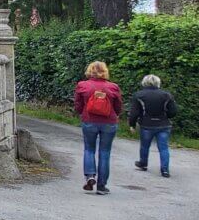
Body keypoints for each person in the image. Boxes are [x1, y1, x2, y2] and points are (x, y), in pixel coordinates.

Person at [73, 61, 123, 195]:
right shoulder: (113, 87)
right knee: (105, 153)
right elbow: (118, 107)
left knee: (89, 149)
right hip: (109, 122)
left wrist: (82, 113)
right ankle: (102, 186)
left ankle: (90, 175)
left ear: (89, 71)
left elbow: (77, 105)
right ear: (105, 71)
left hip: (89, 121)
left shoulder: (82, 85)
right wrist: (115, 115)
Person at [128, 74, 178, 178]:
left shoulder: (139, 95)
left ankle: (143, 163)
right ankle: (165, 170)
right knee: (163, 148)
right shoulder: (167, 95)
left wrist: (132, 125)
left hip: (146, 124)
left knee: (145, 146)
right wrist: (166, 116)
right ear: (158, 83)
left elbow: (134, 113)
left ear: (144, 82)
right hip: (164, 125)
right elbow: (173, 112)